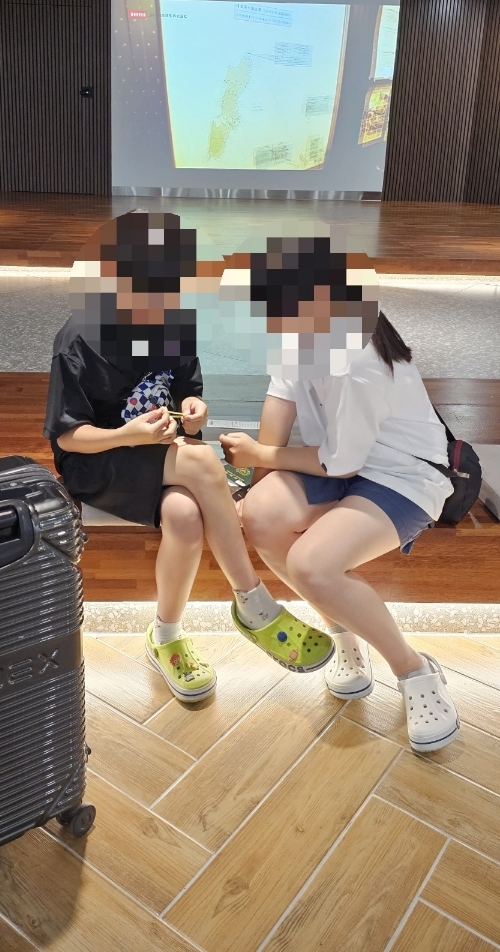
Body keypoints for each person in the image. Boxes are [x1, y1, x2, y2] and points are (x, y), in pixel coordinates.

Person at [43, 211, 334, 704]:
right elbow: (70, 438)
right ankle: (252, 601)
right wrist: (127, 434)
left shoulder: (173, 322)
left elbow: (186, 397)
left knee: (183, 516)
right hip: (100, 459)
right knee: (201, 463)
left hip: (161, 452)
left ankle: (166, 635)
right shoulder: (77, 339)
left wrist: (195, 411)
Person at [220, 234, 460, 752]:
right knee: (260, 515)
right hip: (341, 460)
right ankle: (344, 631)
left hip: (401, 476)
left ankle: (414, 670)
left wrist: (259, 455)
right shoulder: (301, 327)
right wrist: (254, 487)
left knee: (312, 565)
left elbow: (339, 462)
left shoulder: (356, 361)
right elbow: (280, 402)